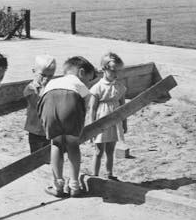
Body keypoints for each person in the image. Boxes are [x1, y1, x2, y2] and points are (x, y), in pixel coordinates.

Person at [39, 56, 97, 197]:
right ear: (81, 72)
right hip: (71, 101)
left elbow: (41, 96)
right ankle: (74, 185)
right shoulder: (79, 84)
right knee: (72, 144)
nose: (88, 83)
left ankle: (58, 185)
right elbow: (86, 101)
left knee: (56, 144)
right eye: (89, 80)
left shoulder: (53, 81)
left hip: (48, 102)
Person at [89, 52, 127, 179]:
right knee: (99, 151)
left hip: (115, 121)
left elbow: (123, 107)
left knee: (110, 150)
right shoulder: (97, 88)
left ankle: (109, 173)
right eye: (113, 71)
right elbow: (92, 109)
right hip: (101, 121)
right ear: (104, 69)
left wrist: (124, 123)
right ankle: (94, 174)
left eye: (118, 71)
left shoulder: (120, 87)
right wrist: (91, 127)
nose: (116, 74)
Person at [23, 55, 56, 160]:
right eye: (42, 75)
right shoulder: (30, 88)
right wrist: (43, 89)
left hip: (48, 129)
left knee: (47, 156)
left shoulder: (51, 87)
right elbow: (38, 105)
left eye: (50, 76)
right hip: (35, 130)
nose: (46, 78)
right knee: (35, 157)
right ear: (34, 71)